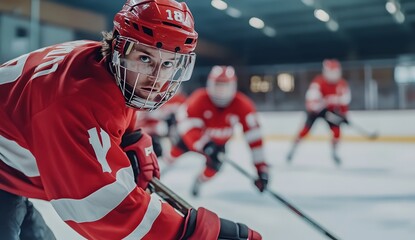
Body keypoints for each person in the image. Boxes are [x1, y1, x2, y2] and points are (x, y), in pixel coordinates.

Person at [0, 0, 262, 239]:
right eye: (146, 58)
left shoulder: (101, 66)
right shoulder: (72, 103)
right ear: (118, 47)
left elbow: (111, 108)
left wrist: (130, 137)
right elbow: (100, 209)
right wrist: (191, 233)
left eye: (169, 64)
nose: (157, 78)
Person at [167, 65, 270, 197]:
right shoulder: (199, 98)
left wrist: (261, 169)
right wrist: (205, 144)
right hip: (191, 139)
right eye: (218, 85)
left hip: (218, 145)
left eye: (225, 86)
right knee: (171, 155)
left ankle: (199, 181)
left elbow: (254, 137)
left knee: (212, 170)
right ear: (210, 84)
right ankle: (154, 176)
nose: (221, 91)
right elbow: (187, 124)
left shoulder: (243, 105)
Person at [286, 59, 351, 165]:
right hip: (315, 112)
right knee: (304, 131)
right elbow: (311, 103)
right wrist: (323, 105)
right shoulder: (318, 83)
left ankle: (334, 153)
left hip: (329, 111)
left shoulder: (342, 84)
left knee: (336, 131)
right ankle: (292, 149)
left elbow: (344, 102)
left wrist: (344, 116)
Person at [135, 88, 187, 159]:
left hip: (172, 133)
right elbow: (140, 123)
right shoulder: (147, 100)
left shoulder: (179, 99)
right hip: (151, 135)